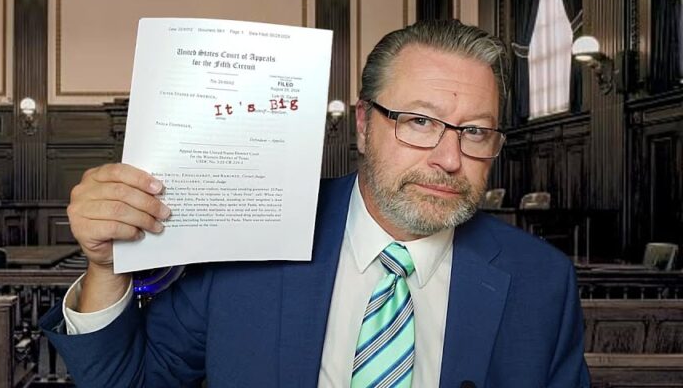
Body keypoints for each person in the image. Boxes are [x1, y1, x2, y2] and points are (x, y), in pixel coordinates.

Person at [41, 20, 589, 388]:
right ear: (364, 124)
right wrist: (107, 267)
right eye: (419, 122)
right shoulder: (246, 243)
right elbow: (128, 381)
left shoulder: (542, 282)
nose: (449, 157)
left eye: (474, 131)